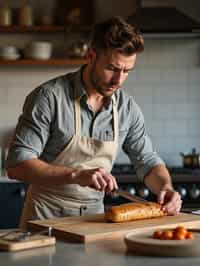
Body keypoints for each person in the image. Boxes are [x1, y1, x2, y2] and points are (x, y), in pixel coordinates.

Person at [6, 16, 182, 228]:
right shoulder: (49, 97)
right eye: (113, 68)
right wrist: (76, 174)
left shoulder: (127, 108)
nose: (118, 80)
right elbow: (17, 165)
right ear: (91, 55)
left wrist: (166, 187)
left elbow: (147, 162)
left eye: (126, 71)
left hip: (94, 222)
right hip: (45, 219)